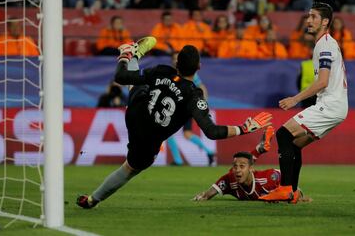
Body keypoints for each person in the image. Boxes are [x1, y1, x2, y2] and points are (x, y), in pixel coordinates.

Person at [77, 37, 272, 209]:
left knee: (137, 85)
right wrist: (244, 128)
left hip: (135, 113)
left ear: (177, 63)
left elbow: (120, 76)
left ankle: (132, 54)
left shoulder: (163, 70)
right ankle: (93, 200)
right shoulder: (195, 96)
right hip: (149, 137)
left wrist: (123, 58)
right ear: (199, 68)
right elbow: (212, 132)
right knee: (129, 169)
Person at [259, 2, 348, 203]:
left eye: (314, 17)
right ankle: (294, 192)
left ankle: (284, 188)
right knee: (294, 143)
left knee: (282, 134)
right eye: (308, 16)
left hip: (330, 104)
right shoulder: (325, 43)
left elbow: (323, 81)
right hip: (336, 107)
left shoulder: (325, 44)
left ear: (325, 22)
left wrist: (295, 99)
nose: (308, 20)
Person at [193, 126, 307, 202]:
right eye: (235, 166)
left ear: (252, 169)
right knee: (239, 167)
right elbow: (208, 194)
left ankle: (259, 149)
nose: (237, 170)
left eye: (241, 166)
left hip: (282, 179)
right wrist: (203, 196)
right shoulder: (230, 179)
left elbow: (293, 186)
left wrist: (300, 196)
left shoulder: (269, 178)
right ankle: (259, 148)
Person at [166, 52, 215, 166]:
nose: (175, 61)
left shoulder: (187, 72)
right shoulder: (169, 73)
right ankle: (209, 152)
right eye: (173, 58)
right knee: (187, 134)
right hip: (176, 106)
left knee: (168, 132)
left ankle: (178, 160)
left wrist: (204, 102)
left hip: (186, 107)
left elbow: (201, 86)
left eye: (177, 59)